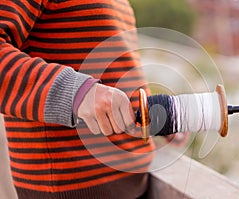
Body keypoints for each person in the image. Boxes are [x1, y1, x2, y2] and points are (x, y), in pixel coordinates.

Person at [0, 0, 155, 198]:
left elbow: (118, 66)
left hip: (134, 181)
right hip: (71, 187)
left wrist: (156, 116)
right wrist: (76, 93)